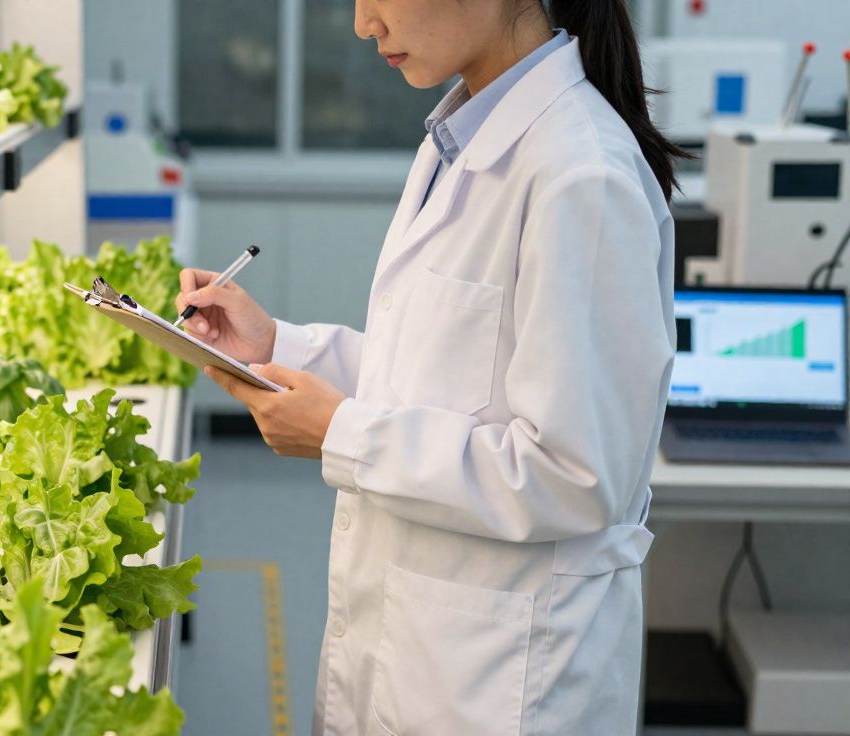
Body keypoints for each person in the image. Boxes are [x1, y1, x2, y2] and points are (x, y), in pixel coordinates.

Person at [176, 0, 682, 733]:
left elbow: (575, 476)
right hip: (421, 655)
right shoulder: (459, 139)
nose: (362, 23)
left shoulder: (582, 175)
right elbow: (436, 383)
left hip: (503, 682)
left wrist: (341, 436)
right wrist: (277, 346)